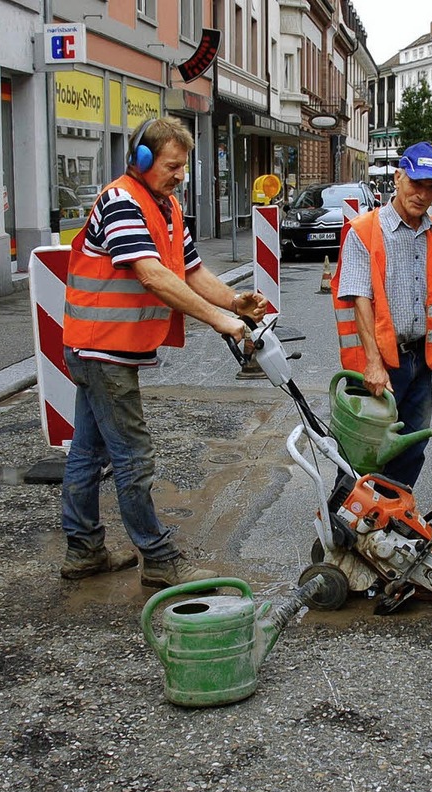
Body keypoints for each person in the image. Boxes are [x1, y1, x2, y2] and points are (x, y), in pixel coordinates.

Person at [60, 116, 267, 586]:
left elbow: (191, 271)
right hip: (100, 350)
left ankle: (83, 550)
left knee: (88, 453)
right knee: (133, 456)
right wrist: (223, 322)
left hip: (109, 350)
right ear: (142, 159)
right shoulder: (120, 202)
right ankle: (157, 558)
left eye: (183, 167)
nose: (179, 176)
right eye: (172, 166)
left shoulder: (166, 207)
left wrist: (234, 302)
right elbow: (151, 275)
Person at [331, 141, 432, 488]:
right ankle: (344, 518)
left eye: (431, 187)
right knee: (365, 449)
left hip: (421, 358)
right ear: (398, 176)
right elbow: (358, 297)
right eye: (415, 183)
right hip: (381, 363)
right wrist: (372, 362)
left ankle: (390, 514)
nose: (421, 194)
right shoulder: (364, 230)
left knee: (412, 446)